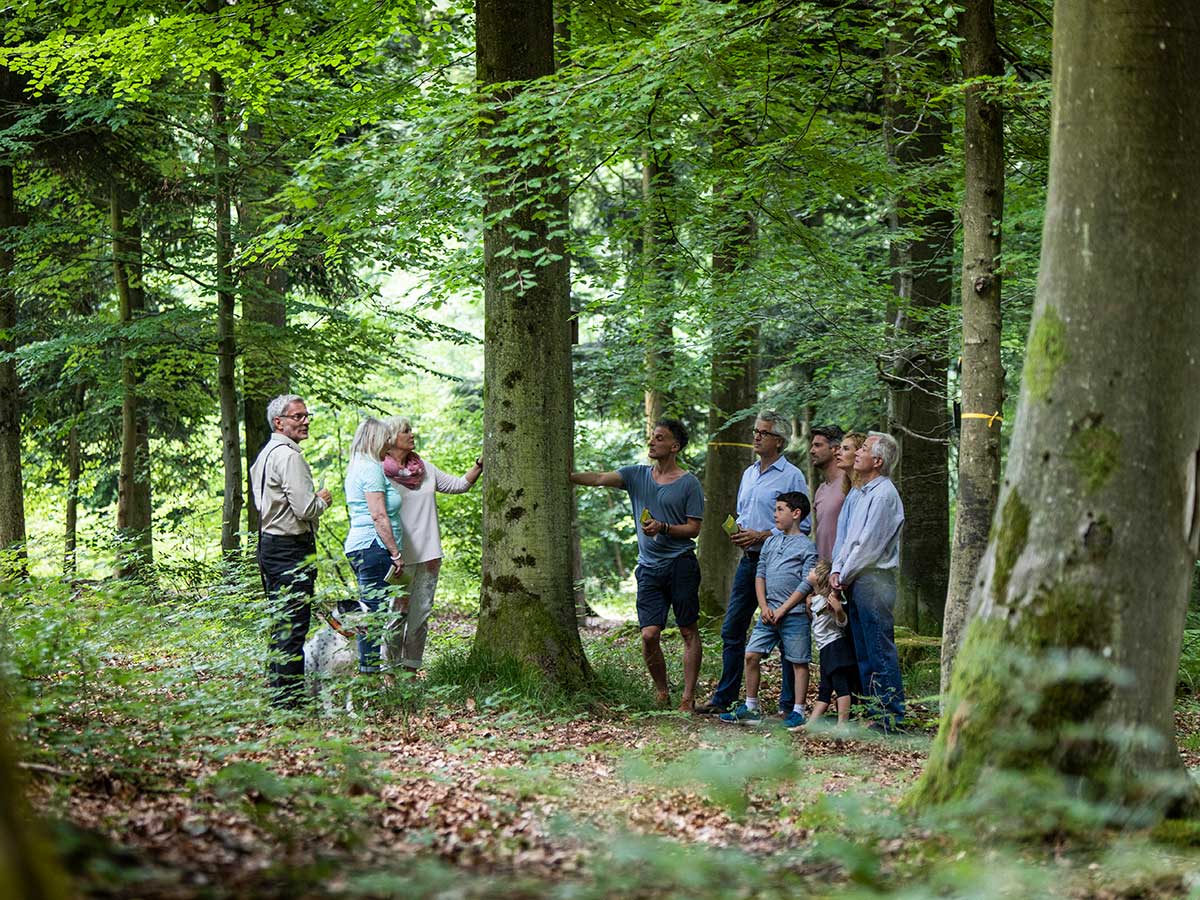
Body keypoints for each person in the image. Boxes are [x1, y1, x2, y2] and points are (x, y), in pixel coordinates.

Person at [571, 418, 704, 710]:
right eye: (652, 437)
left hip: (681, 564)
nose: (652, 442)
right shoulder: (635, 475)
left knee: (687, 630)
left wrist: (664, 527)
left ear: (674, 446)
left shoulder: (688, 483)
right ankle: (661, 691)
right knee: (649, 634)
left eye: (659, 438)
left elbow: (694, 528)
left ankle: (688, 697)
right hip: (649, 568)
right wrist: (566, 475)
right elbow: (599, 478)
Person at [696, 410, 809, 716]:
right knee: (732, 627)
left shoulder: (792, 476)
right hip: (750, 562)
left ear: (779, 440)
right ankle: (726, 697)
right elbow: (744, 514)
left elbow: (805, 523)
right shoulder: (748, 474)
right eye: (756, 431)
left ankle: (789, 706)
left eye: (764, 433)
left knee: (787, 630)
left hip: (782, 562)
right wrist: (741, 532)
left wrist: (763, 534)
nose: (756, 437)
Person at [249, 394, 333, 708]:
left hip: (270, 544)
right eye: (297, 416)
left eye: (306, 415)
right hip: (289, 548)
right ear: (279, 422)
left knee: (282, 623)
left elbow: (262, 501)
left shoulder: (266, 454)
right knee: (293, 626)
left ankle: (280, 696)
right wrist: (323, 498)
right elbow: (305, 507)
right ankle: (290, 703)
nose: (305, 421)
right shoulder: (289, 456)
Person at [381, 416, 482, 673]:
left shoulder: (425, 468)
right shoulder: (381, 473)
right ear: (392, 438)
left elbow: (459, 485)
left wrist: (479, 465)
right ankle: (389, 674)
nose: (412, 434)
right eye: (406, 431)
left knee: (420, 617)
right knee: (395, 616)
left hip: (429, 555)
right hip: (399, 558)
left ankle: (411, 671)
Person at [719, 492, 819, 728]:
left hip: (793, 616)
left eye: (780, 509)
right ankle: (751, 707)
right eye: (775, 509)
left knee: (798, 661)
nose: (775, 514)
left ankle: (798, 710)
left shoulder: (807, 547)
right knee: (751, 655)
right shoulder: (770, 542)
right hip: (768, 614)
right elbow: (760, 574)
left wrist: (784, 609)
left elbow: (807, 582)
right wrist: (764, 606)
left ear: (796, 514)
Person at [831, 431, 906, 732]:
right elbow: (849, 540)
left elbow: (869, 546)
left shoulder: (884, 494)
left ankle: (891, 716)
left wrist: (844, 573)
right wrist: (837, 570)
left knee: (878, 648)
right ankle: (876, 712)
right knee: (863, 650)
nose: (857, 452)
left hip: (874, 579)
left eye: (862, 449)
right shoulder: (861, 494)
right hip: (857, 579)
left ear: (877, 461)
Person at [342, 416, 405, 675]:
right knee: (373, 616)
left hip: (360, 546)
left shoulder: (356, 465)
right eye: (385, 439)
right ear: (375, 440)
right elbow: (378, 515)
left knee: (371, 612)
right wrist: (395, 552)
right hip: (373, 547)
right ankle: (370, 679)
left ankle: (371, 675)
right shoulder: (370, 468)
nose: (388, 444)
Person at [804, 560, 861, 728]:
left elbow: (842, 623)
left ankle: (842, 725)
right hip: (825, 650)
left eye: (813, 569)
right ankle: (810, 726)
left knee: (841, 687)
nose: (810, 570)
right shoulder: (814, 599)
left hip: (836, 648)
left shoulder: (829, 599)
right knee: (825, 690)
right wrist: (808, 606)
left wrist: (838, 610)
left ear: (821, 577)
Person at [809, 425, 847, 562]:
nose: (811, 451)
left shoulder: (850, 484)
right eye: (812, 445)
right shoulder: (820, 490)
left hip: (845, 571)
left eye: (818, 446)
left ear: (835, 449)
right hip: (823, 572)